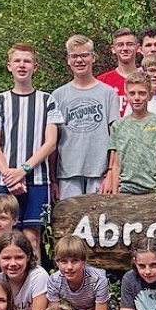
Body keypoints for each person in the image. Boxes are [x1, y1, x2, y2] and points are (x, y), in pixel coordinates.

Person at [0, 43, 62, 249]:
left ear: (34, 67)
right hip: (6, 180)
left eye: (27, 61)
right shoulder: (0, 100)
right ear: (9, 66)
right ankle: (2, 281)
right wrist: (9, 175)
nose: (22, 65)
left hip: (37, 179)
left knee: (31, 237)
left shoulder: (48, 100)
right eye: (17, 61)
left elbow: (51, 142)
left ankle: (34, 281)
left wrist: (23, 170)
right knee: (5, 235)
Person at [55, 34, 119, 198]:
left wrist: (112, 172)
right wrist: (52, 179)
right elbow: (53, 141)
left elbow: (116, 137)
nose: (79, 60)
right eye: (74, 56)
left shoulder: (108, 93)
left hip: (100, 171)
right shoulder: (58, 95)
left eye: (84, 55)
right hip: (67, 172)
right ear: (68, 60)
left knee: (99, 220)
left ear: (93, 57)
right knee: (69, 220)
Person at [104, 73, 156, 195]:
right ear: (126, 96)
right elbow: (115, 164)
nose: (137, 98)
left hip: (153, 188)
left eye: (142, 93)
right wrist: (115, 195)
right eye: (132, 93)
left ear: (150, 95)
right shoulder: (118, 125)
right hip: (125, 189)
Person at [46, 235, 113, 310]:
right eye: (64, 261)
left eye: (75, 261)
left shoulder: (98, 280)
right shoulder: (54, 280)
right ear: (57, 263)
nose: (69, 267)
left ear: (84, 262)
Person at [96, 27, 140, 117]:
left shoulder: (146, 78)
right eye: (120, 45)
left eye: (130, 44)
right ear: (113, 49)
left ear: (138, 48)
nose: (125, 48)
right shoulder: (102, 81)